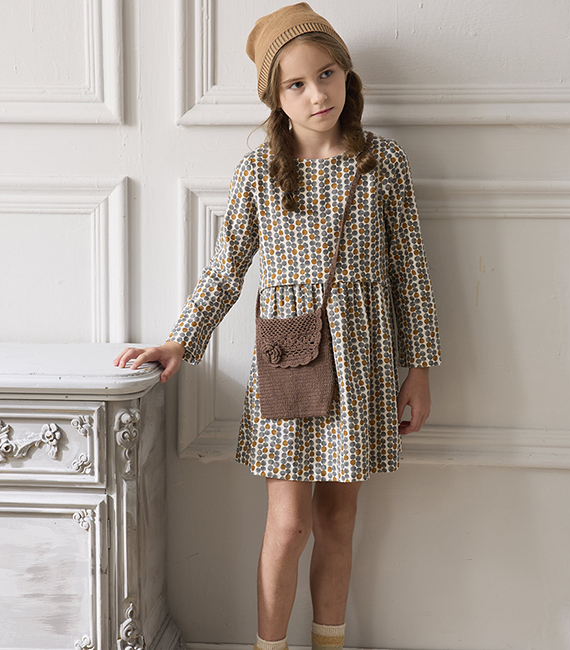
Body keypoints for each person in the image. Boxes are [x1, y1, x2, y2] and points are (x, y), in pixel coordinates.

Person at [114, 3, 441, 650]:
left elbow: (411, 271)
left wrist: (421, 368)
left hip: (365, 363)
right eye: (296, 84)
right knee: (288, 525)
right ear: (276, 97)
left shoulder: (383, 163)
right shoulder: (259, 171)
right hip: (291, 364)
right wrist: (182, 339)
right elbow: (227, 267)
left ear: (347, 75)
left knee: (338, 520)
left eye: (327, 74)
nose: (317, 94)